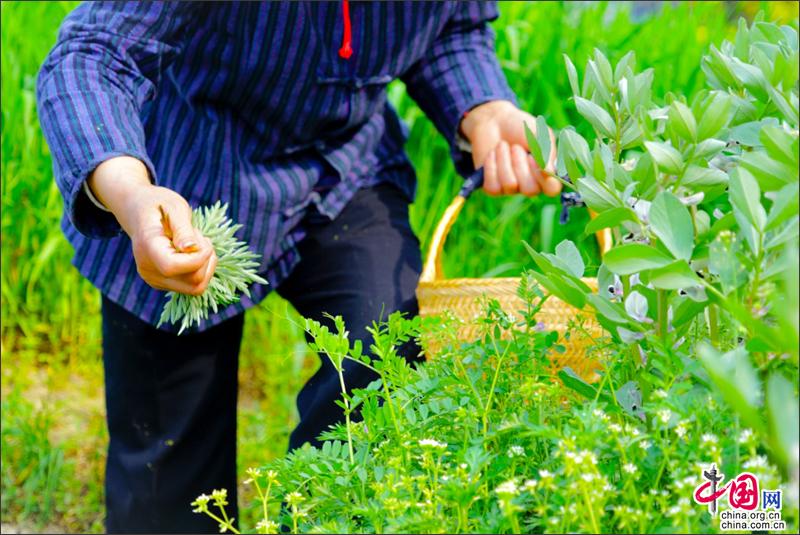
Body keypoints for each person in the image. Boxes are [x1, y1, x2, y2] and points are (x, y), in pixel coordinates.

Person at [37, 1, 561, 532]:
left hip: (343, 171)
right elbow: (94, 53)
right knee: (167, 473)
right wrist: (132, 195)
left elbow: (449, 27)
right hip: (180, 184)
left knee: (380, 354)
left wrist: (484, 106)